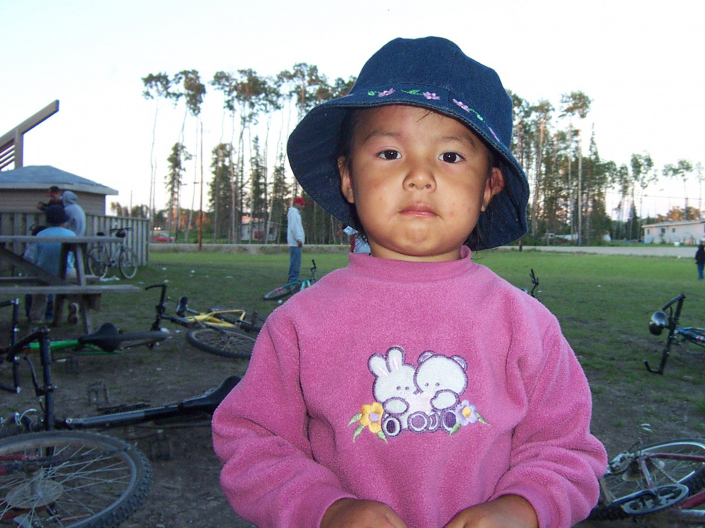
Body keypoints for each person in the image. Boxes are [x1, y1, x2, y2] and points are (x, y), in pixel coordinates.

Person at [212, 37, 607, 528]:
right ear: (348, 178)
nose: (420, 175)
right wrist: (325, 510)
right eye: (391, 151)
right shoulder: (300, 324)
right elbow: (253, 442)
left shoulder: (525, 324)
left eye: (451, 157)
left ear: (489, 187)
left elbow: (566, 448)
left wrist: (524, 508)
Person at [24, 204, 76, 324]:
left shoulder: (40, 235)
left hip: (44, 272)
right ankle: (74, 305)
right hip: (66, 272)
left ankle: (36, 317)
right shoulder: (70, 235)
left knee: (39, 294)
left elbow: (35, 257)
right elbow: (73, 258)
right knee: (75, 284)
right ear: (64, 221)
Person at [287, 196, 306, 283]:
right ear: (296, 204)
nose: (302, 207)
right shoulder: (294, 214)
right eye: (301, 205)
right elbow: (294, 228)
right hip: (295, 242)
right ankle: (293, 279)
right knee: (295, 262)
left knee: (295, 261)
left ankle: (293, 278)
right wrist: (298, 239)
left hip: (295, 242)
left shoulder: (295, 214)